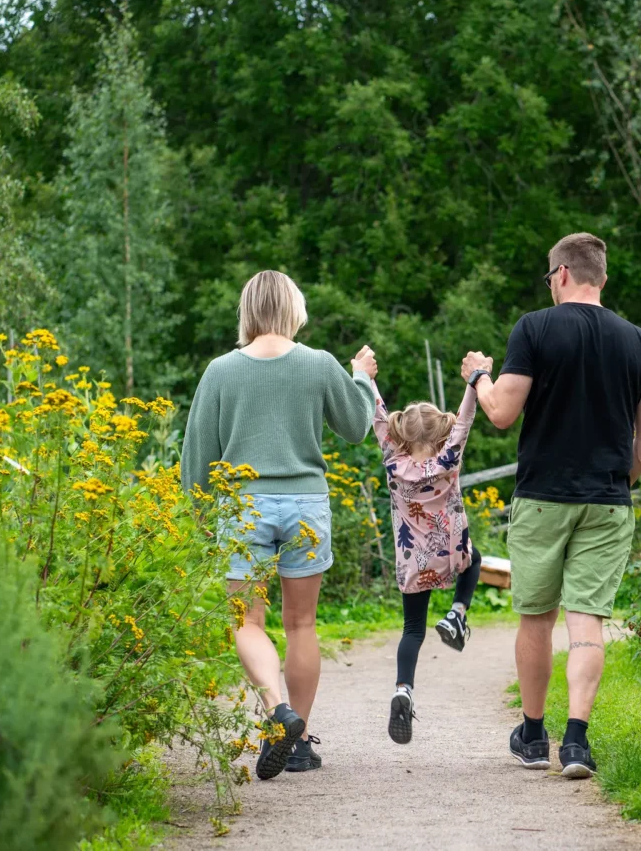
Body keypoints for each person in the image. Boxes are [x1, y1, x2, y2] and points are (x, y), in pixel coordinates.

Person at [461, 232, 641, 779]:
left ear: (563, 274)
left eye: (549, 278)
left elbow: (502, 412)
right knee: (587, 624)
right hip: (608, 502)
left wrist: (479, 376)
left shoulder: (535, 328)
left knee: (535, 618)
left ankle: (531, 735)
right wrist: (619, 481)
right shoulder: (640, 342)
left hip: (543, 499)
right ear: (600, 276)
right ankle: (576, 742)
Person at [181, 270, 377, 780]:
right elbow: (356, 428)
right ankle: (300, 743)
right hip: (306, 505)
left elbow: (197, 455)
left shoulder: (220, 371)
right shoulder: (318, 364)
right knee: (302, 625)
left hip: (244, 507)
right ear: (294, 310)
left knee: (247, 622)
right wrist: (361, 375)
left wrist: (200, 516)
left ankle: (277, 712)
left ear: (246, 311)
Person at [370, 382, 482, 745]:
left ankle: (403, 689)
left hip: (415, 560)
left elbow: (379, 420)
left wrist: (368, 379)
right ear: (440, 436)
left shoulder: (393, 462)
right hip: (450, 551)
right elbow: (465, 421)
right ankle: (457, 613)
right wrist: (473, 383)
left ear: (402, 436)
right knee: (475, 558)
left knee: (412, 630)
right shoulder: (448, 460)